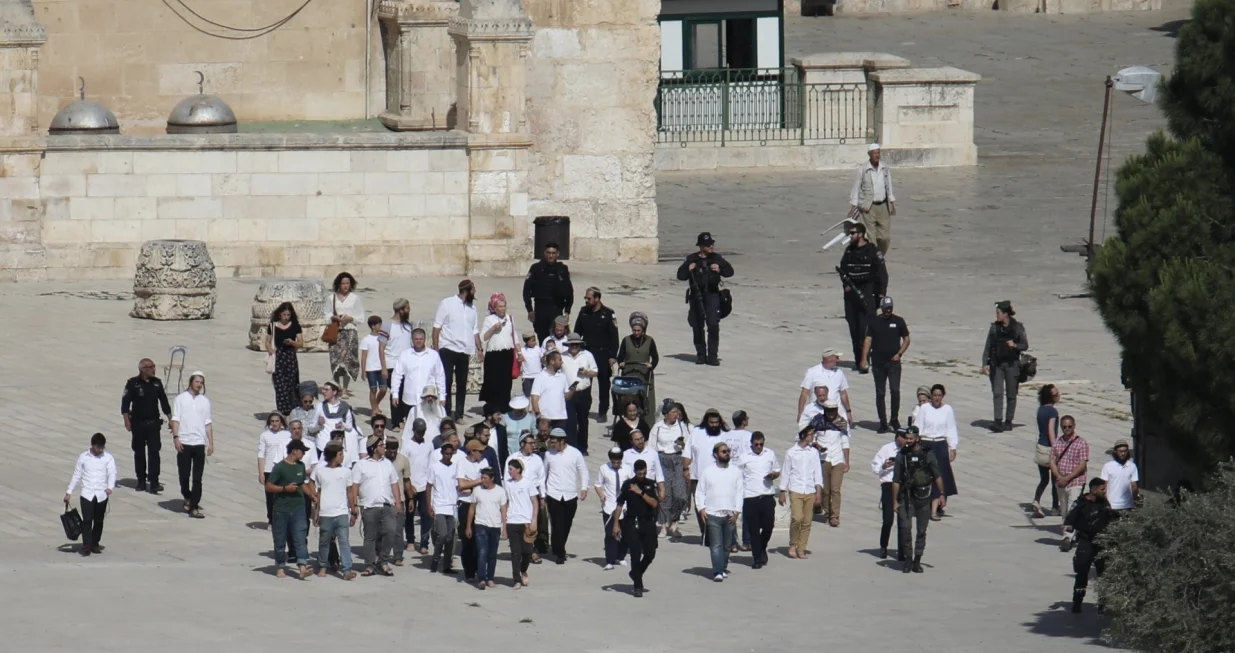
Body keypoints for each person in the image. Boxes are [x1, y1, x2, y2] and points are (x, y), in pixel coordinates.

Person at [676, 232, 734, 366]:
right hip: (696, 297)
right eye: (708, 245)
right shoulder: (692, 259)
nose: (711, 247)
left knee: (713, 324)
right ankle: (701, 354)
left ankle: (712, 355)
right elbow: (680, 276)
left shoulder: (716, 258)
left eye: (711, 244)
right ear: (701, 246)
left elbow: (730, 272)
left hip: (712, 295)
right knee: (697, 326)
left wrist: (719, 269)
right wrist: (688, 268)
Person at [892, 427, 945, 573]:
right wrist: (895, 501)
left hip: (923, 496)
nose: (908, 441)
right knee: (905, 528)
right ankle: (908, 559)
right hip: (906, 496)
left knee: (922, 530)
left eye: (911, 438)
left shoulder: (928, 455)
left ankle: (917, 560)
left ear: (917, 438)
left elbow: (937, 475)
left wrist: (941, 494)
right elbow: (896, 480)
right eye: (906, 438)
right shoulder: (901, 456)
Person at [264, 440, 317, 580]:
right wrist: (284, 489)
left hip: (298, 507)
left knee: (300, 537)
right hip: (281, 509)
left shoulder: (301, 466)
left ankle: (302, 567)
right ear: (294, 451)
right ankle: (280, 566)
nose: (304, 453)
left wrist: (312, 495)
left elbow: (302, 484)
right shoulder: (280, 467)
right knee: (280, 539)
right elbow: (268, 486)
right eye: (302, 451)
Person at [838, 223, 888, 367]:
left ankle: (865, 360)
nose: (851, 236)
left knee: (865, 330)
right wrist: (846, 285)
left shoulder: (873, 251)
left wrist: (880, 294)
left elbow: (882, 275)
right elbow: (843, 270)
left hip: (866, 292)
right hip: (851, 296)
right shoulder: (849, 251)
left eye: (853, 233)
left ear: (861, 234)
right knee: (854, 328)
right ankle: (858, 359)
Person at [351, 436, 402, 576]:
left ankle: (383, 560)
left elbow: (394, 483)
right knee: (370, 537)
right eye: (381, 445)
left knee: (391, 532)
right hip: (369, 506)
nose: (384, 447)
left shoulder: (387, 464)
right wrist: (354, 505)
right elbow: (354, 485)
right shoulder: (361, 465)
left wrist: (398, 502)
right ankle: (369, 565)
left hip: (387, 505)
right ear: (373, 448)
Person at [433, 279, 483, 422]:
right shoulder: (447, 303)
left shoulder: (472, 308)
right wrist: (436, 350)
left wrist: (479, 348)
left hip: (464, 350)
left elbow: (475, 330)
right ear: (466, 291)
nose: (475, 292)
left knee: (462, 384)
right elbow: (437, 327)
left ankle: (459, 414)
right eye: (473, 290)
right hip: (448, 348)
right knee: (446, 382)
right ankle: (447, 412)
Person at [859, 296, 910, 433]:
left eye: (890, 308)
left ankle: (894, 419)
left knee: (895, 391)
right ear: (881, 308)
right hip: (878, 363)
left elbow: (906, 338)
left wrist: (899, 354)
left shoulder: (898, 321)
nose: (888, 310)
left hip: (894, 363)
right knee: (880, 393)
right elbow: (868, 340)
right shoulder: (874, 322)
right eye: (886, 308)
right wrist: (864, 358)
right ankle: (883, 422)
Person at [121, 358, 171, 494]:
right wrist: (126, 419)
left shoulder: (157, 383)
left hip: (153, 424)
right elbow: (125, 403)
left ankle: (154, 482)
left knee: (154, 453)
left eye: (154, 366)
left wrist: (170, 419)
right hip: (138, 424)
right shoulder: (133, 383)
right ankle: (141, 481)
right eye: (151, 367)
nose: (154, 369)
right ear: (142, 369)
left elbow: (164, 402)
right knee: (139, 452)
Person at [696, 442, 744, 581]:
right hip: (712, 514)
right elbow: (700, 491)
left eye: (728, 451)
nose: (727, 453)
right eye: (723, 451)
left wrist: (737, 511)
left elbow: (740, 492)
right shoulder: (708, 471)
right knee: (716, 545)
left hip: (730, 514)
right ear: (716, 454)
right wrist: (701, 508)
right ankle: (717, 571)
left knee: (727, 545)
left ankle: (722, 568)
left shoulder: (735, 471)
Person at [310, 443, 357, 580]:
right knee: (324, 542)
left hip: (342, 512)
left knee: (344, 542)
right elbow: (319, 493)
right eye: (340, 454)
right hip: (326, 513)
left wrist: (353, 509)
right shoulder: (321, 472)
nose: (343, 457)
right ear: (333, 456)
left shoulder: (346, 472)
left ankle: (347, 569)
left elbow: (350, 492)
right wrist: (316, 513)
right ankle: (323, 566)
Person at [64, 433, 116, 556]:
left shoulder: (108, 458)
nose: (101, 450)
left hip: (101, 494)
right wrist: (69, 492)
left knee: (99, 520)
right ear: (93, 445)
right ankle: (86, 545)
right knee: (87, 520)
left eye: (102, 447)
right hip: (87, 493)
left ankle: (95, 543)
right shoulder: (83, 457)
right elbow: (77, 475)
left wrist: (110, 487)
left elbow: (112, 473)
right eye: (99, 447)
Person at [1066, 478, 1112, 613]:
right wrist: (1069, 529)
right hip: (1086, 541)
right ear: (1094, 489)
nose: (1105, 492)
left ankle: (1104, 604)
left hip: (1101, 542)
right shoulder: (1081, 503)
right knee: (1081, 572)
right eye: (1102, 489)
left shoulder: (1104, 502)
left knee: (1104, 574)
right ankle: (1077, 601)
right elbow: (1070, 519)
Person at [171, 371, 213, 519]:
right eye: (197, 382)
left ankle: (194, 506)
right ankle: (187, 496)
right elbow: (175, 419)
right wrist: (176, 437)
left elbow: (207, 423)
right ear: (191, 382)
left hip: (199, 443)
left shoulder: (205, 401)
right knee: (184, 475)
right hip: (185, 442)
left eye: (201, 382)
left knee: (197, 478)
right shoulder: (181, 399)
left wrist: (210, 443)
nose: (199, 385)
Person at [982, 300, 1029, 432]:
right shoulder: (994, 328)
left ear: (1006, 314)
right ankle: (998, 421)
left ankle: (1008, 421)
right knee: (997, 393)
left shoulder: (1017, 328)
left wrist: (1014, 345)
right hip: (997, 365)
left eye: (999, 313)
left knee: (1011, 394)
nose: (997, 315)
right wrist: (985, 363)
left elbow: (1025, 345)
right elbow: (988, 346)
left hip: (1012, 364)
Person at [614, 459, 659, 597]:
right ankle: (637, 586)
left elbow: (654, 503)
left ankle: (635, 573)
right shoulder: (628, 485)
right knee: (635, 554)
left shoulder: (650, 484)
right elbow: (620, 505)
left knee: (650, 552)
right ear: (635, 472)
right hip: (632, 522)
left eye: (644, 473)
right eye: (639, 473)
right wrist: (616, 524)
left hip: (647, 522)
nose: (642, 475)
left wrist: (640, 492)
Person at [683, 408, 728, 545]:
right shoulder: (696, 433)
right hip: (697, 476)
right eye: (711, 422)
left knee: (716, 506)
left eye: (716, 422)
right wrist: (685, 469)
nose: (714, 425)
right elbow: (687, 453)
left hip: (719, 477)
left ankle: (717, 534)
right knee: (700, 507)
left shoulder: (725, 435)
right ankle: (706, 534)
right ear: (706, 421)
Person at [543, 428, 589, 564]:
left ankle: (559, 546)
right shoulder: (548, 454)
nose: (552, 444)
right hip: (553, 494)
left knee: (566, 524)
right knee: (557, 524)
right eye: (551, 442)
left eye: (554, 442)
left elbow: (583, 471)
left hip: (570, 494)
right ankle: (560, 552)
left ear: (562, 441)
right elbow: (544, 474)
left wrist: (584, 488)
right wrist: (543, 493)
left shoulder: (575, 454)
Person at [779, 425, 823, 560]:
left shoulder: (813, 452)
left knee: (807, 521)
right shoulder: (791, 452)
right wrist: (782, 491)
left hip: (809, 490)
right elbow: (786, 472)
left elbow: (817, 472)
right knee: (796, 518)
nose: (813, 436)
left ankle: (801, 547)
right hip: (796, 489)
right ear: (804, 435)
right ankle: (793, 544)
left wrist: (818, 492)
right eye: (811, 434)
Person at [574, 287, 619, 422]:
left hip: (602, 354)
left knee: (604, 384)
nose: (586, 301)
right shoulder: (583, 312)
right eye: (586, 298)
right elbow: (577, 332)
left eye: (589, 298)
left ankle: (602, 411)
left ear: (597, 299)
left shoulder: (608, 314)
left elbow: (614, 337)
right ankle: (584, 408)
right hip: (587, 352)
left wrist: (612, 355)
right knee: (585, 382)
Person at [916, 384, 959, 519]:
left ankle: (935, 509)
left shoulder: (947, 410)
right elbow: (918, 426)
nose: (937, 398)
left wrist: (952, 447)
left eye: (939, 396)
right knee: (925, 475)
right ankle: (924, 504)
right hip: (926, 443)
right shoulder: (924, 408)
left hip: (940, 444)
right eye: (934, 395)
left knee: (939, 475)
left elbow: (951, 428)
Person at [390, 327, 446, 430]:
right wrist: (395, 394)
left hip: (429, 398)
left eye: (421, 339)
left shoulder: (433, 355)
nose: (418, 341)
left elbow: (440, 376)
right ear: (412, 339)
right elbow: (397, 375)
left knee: (430, 427)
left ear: (425, 339)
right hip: (409, 399)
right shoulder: (405, 355)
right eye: (416, 339)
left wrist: (442, 396)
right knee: (412, 428)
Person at [649, 401, 690, 538]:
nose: (676, 415)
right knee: (665, 494)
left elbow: (688, 445)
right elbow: (652, 447)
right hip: (663, 460)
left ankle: (674, 520)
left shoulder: (682, 426)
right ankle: (662, 524)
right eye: (674, 412)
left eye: (677, 412)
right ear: (666, 414)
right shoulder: (658, 427)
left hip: (678, 459)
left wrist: (682, 444)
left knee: (680, 494)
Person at [847, 142, 897, 254]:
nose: (877, 155)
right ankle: (874, 260)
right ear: (869, 154)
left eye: (878, 153)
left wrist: (892, 203)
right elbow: (856, 187)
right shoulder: (863, 169)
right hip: (868, 207)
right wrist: (853, 206)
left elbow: (888, 185)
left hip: (883, 207)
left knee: (884, 238)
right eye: (874, 153)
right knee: (871, 238)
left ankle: (878, 257)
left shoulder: (884, 168)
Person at [740, 432, 779, 569]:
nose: (758, 447)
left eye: (761, 444)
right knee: (753, 530)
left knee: (768, 526)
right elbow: (737, 475)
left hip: (767, 496)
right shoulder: (744, 457)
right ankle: (757, 558)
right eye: (756, 444)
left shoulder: (770, 454)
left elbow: (777, 470)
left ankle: (762, 547)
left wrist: (773, 475)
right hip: (750, 497)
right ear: (751, 443)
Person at [507, 432, 548, 564]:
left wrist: (542, 497)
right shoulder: (512, 458)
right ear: (522, 444)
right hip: (518, 493)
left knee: (535, 522)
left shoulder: (537, 459)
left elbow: (542, 479)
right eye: (530, 443)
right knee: (521, 522)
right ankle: (526, 550)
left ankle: (533, 549)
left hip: (533, 493)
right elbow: (506, 478)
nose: (533, 446)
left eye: (534, 443)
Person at [809, 402, 851, 527]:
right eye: (829, 411)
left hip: (838, 459)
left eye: (833, 411)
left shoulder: (841, 423)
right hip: (823, 459)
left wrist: (847, 461)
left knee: (835, 490)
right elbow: (811, 438)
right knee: (825, 490)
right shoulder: (818, 422)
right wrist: (817, 446)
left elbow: (845, 442)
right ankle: (827, 513)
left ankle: (834, 516)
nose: (831, 414)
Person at [1051, 415, 1089, 552]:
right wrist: (1059, 476)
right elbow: (1052, 462)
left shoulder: (1081, 443)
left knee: (1073, 508)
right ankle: (1073, 532)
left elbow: (1082, 464)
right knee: (1065, 509)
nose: (1067, 429)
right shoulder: (1057, 442)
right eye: (1064, 427)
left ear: (1074, 426)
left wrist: (1068, 478)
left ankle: (1067, 536)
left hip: (1076, 481)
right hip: (1061, 482)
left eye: (1069, 427)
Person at [523, 241, 574, 342]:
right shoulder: (536, 268)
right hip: (540, 308)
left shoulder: (562, 269)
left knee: (558, 338)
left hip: (556, 308)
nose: (551, 255)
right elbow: (526, 290)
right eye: (549, 253)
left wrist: (567, 311)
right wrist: (529, 309)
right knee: (543, 339)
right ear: (544, 253)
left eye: (553, 253)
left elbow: (569, 291)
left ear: (557, 254)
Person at [326, 271, 366, 399]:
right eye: (343, 283)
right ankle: (336, 386)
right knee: (336, 361)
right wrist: (334, 317)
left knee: (348, 361)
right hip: (336, 332)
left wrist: (350, 318)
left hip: (350, 332)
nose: (345, 286)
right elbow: (325, 315)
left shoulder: (355, 298)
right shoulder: (331, 298)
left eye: (348, 283)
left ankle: (345, 389)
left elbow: (361, 317)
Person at [872, 429, 910, 560]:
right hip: (888, 485)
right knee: (888, 520)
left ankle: (902, 550)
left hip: (902, 485)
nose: (906, 440)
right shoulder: (886, 449)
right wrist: (884, 465)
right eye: (904, 438)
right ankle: (883, 546)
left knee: (903, 520)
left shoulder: (908, 450)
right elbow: (875, 468)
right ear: (898, 437)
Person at [467, 468, 508, 590]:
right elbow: (472, 509)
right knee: (482, 551)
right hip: (480, 525)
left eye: (485, 478)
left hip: (495, 526)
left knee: (492, 554)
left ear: (492, 478)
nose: (482, 480)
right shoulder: (477, 491)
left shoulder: (500, 491)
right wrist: (468, 526)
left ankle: (490, 578)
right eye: (482, 478)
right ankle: (482, 578)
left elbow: (504, 510)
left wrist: (504, 528)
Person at [480, 293, 520, 414]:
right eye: (500, 306)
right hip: (493, 355)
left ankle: (504, 405)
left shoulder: (510, 319)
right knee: (493, 381)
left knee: (506, 382)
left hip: (507, 354)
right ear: (494, 308)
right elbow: (483, 337)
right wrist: (493, 329)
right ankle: (493, 406)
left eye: (504, 306)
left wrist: (519, 352)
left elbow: (515, 336)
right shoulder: (489, 319)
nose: (503, 309)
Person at [456, 440, 488, 582]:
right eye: (479, 451)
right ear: (472, 451)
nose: (481, 454)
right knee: (467, 539)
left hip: (481, 504)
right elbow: (461, 485)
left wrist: (472, 483)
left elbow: (488, 481)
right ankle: (469, 571)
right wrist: (479, 481)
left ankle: (479, 569)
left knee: (480, 539)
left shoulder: (484, 462)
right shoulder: (462, 463)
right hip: (466, 504)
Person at [596, 447, 632, 570]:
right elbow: (598, 485)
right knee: (610, 533)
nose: (616, 464)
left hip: (625, 506)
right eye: (614, 462)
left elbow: (632, 485)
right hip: (609, 505)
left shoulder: (627, 469)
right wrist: (601, 495)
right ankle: (610, 560)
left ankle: (620, 557)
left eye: (618, 462)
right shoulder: (603, 468)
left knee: (625, 533)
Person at [504, 458, 538, 589]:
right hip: (512, 521)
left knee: (527, 551)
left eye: (511, 469)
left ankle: (523, 570)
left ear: (518, 470)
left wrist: (534, 520)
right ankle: (516, 579)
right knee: (515, 552)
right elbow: (505, 502)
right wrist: (504, 523)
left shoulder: (528, 483)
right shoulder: (507, 484)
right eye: (508, 469)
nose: (509, 471)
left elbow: (534, 501)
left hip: (526, 522)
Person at [616, 312, 659, 417]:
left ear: (643, 329)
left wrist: (651, 365)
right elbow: (620, 356)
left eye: (638, 330)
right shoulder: (626, 340)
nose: (636, 333)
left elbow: (655, 357)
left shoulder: (650, 340)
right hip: (629, 374)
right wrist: (621, 362)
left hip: (643, 374)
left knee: (644, 397)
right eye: (634, 330)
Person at [401, 418, 434, 555]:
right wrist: (408, 484)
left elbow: (431, 464)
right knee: (410, 514)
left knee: (426, 514)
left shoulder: (429, 445)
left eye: (423, 431)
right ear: (413, 430)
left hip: (424, 485)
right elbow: (403, 464)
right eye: (419, 431)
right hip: (411, 485)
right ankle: (410, 540)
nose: (421, 434)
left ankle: (424, 543)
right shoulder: (407, 445)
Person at [427, 442, 460, 574]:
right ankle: (435, 559)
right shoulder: (435, 467)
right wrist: (429, 506)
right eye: (446, 453)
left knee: (451, 537)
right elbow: (428, 487)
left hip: (452, 505)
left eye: (450, 454)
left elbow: (458, 485)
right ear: (442, 453)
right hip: (439, 505)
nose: (448, 456)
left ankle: (447, 565)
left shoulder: (455, 467)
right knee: (442, 534)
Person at [561, 333, 597, 454]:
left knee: (583, 421)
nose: (574, 346)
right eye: (572, 344)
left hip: (583, 393)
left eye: (576, 344)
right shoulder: (562, 356)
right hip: (569, 393)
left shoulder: (587, 355)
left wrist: (586, 372)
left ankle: (582, 447)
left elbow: (595, 372)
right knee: (570, 421)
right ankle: (572, 446)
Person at [266, 301, 304, 416]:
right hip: (279, 357)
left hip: (290, 357)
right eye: (284, 315)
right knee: (280, 385)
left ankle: (293, 410)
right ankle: (282, 411)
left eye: (288, 315)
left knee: (292, 384)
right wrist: (271, 351)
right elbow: (267, 342)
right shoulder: (273, 325)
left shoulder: (295, 325)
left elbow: (300, 343)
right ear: (280, 315)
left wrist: (292, 342)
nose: (286, 317)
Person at [797, 349, 854, 424]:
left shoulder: (839, 373)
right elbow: (804, 393)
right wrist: (800, 413)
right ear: (829, 359)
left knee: (842, 433)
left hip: (837, 413)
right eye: (836, 357)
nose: (838, 360)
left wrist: (848, 411)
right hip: (817, 413)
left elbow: (843, 393)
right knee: (818, 434)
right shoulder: (812, 372)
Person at [383, 431, 412, 567]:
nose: (393, 453)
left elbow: (407, 481)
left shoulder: (403, 460)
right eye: (390, 450)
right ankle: (381, 553)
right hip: (384, 500)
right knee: (383, 530)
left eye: (395, 450)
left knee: (398, 530)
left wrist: (410, 498)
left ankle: (398, 555)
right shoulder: (381, 461)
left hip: (399, 500)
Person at [257, 412, 292, 525]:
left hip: (283, 469)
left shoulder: (287, 435)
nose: (274, 423)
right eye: (272, 421)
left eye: (277, 421)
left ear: (281, 422)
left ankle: (283, 519)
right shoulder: (265, 435)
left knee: (283, 496)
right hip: (269, 469)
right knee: (270, 497)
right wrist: (261, 472)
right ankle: (271, 520)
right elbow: (261, 455)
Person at [1033, 384, 1062, 518]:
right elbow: (1051, 430)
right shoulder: (1053, 412)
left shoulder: (1040, 410)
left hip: (1040, 446)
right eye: (1055, 394)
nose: (1058, 396)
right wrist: (1056, 447)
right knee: (1055, 479)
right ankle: (1055, 507)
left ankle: (1036, 500)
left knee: (1043, 479)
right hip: (1050, 449)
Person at [531, 351, 575, 435]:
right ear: (552, 361)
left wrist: (572, 390)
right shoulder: (540, 377)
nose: (562, 362)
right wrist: (538, 414)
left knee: (559, 443)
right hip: (546, 418)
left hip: (561, 417)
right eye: (559, 360)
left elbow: (566, 397)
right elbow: (534, 397)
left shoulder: (562, 376)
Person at [384, 298, 413, 417]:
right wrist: (383, 367)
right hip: (391, 363)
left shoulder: (408, 326)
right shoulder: (387, 325)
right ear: (401, 310)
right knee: (396, 391)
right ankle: (396, 420)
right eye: (407, 308)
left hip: (407, 364)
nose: (409, 310)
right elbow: (381, 348)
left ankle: (404, 417)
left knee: (405, 391)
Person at [621, 430, 665, 501]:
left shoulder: (653, 453)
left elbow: (659, 473)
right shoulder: (625, 455)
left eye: (641, 438)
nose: (640, 441)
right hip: (632, 489)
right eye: (637, 440)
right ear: (631, 441)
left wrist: (662, 490)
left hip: (649, 489)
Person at [313, 382, 356, 454]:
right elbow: (311, 429)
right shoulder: (319, 406)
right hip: (322, 446)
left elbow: (350, 428)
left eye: (326, 390)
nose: (323, 391)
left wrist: (342, 425)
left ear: (334, 392)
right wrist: (318, 424)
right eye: (323, 389)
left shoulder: (344, 407)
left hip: (337, 447)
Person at [359, 315, 388, 417]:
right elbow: (364, 356)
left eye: (380, 324)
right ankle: (374, 409)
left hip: (381, 368)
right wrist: (363, 371)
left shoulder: (384, 338)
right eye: (378, 324)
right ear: (373, 326)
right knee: (373, 389)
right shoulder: (366, 339)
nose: (380, 326)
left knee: (384, 389)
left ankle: (376, 404)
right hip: (370, 368)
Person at [1100, 439, 1139, 515]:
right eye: (1120, 451)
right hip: (1112, 505)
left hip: (1127, 505)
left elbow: (1134, 485)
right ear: (1115, 452)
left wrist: (1134, 500)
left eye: (1125, 451)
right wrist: (1105, 502)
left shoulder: (1132, 466)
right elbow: (1104, 485)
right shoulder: (1108, 466)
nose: (1123, 453)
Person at [501, 396, 535, 464]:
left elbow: (535, 434)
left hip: (525, 452)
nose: (520, 410)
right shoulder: (505, 417)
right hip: (508, 451)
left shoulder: (531, 418)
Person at [517, 332, 543, 397]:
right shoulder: (522, 350)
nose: (534, 342)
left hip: (538, 376)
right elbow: (519, 360)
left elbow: (542, 359)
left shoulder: (538, 349)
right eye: (532, 341)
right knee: (527, 396)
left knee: (538, 395)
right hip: (527, 377)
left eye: (535, 340)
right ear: (527, 341)